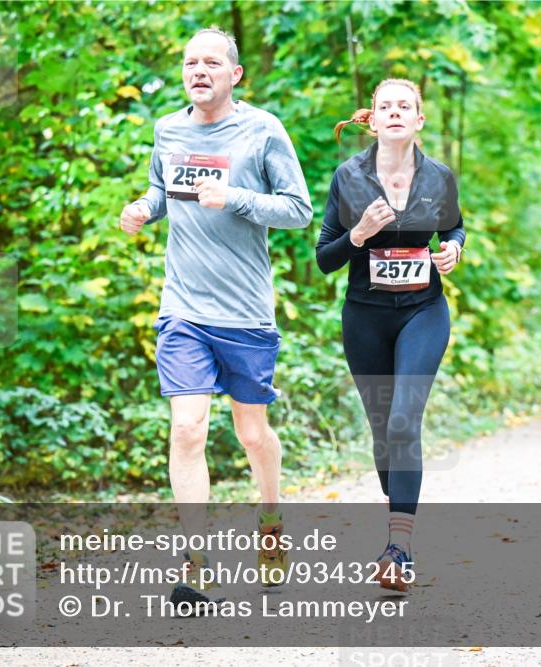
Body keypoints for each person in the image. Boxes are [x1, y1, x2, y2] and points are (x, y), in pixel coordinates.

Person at [119, 28, 313, 604]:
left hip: (246, 312)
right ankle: (195, 561)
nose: (198, 71)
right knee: (186, 428)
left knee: (251, 434)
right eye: (189, 63)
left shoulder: (263, 130)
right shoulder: (168, 130)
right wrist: (142, 209)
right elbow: (162, 190)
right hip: (183, 306)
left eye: (210, 63)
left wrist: (234, 197)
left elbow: (299, 210)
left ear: (235, 74)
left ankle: (272, 519)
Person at [316, 78, 464, 592]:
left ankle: (399, 549)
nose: (396, 112)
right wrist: (358, 235)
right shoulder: (349, 177)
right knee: (384, 430)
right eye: (387, 106)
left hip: (424, 311)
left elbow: (454, 228)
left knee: (404, 418)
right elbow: (324, 259)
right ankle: (396, 503)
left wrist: (453, 250)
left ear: (419, 120)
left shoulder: (439, 177)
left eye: (406, 106)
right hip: (366, 316)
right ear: (372, 119)